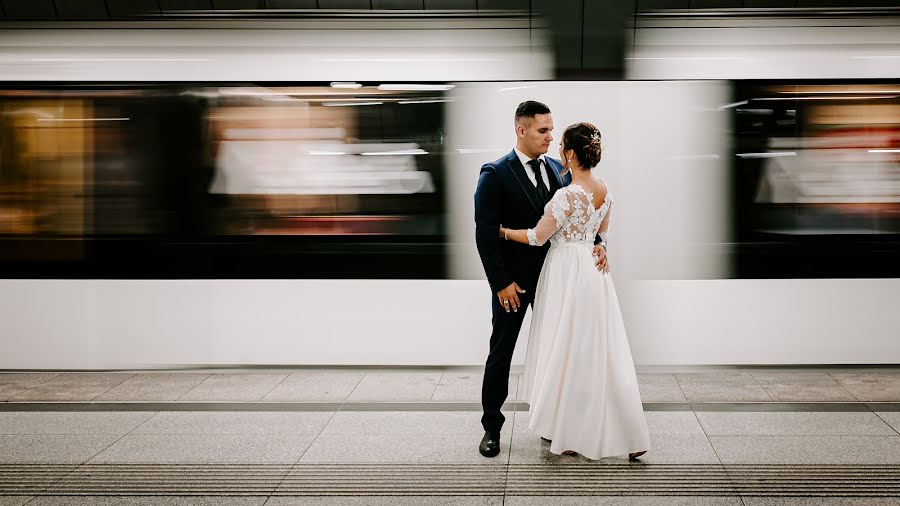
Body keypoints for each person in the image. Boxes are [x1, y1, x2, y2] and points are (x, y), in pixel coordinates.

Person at [499, 122, 650, 461]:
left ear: (569, 153)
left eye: (560, 145)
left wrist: (504, 231)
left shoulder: (566, 196)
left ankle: (567, 432)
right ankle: (630, 433)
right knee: (602, 352)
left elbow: (538, 236)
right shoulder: (605, 191)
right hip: (595, 276)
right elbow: (601, 234)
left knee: (566, 349)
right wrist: (600, 247)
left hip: (565, 273)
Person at [474, 102, 608, 458]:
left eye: (552, 130)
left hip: (557, 280)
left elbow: (577, 216)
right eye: (543, 131)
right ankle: (491, 428)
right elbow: (485, 235)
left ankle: (556, 422)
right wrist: (500, 282)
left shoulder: (557, 170)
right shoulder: (495, 173)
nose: (551, 136)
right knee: (501, 352)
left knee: (559, 351)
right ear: (522, 131)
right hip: (513, 284)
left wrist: (598, 243)